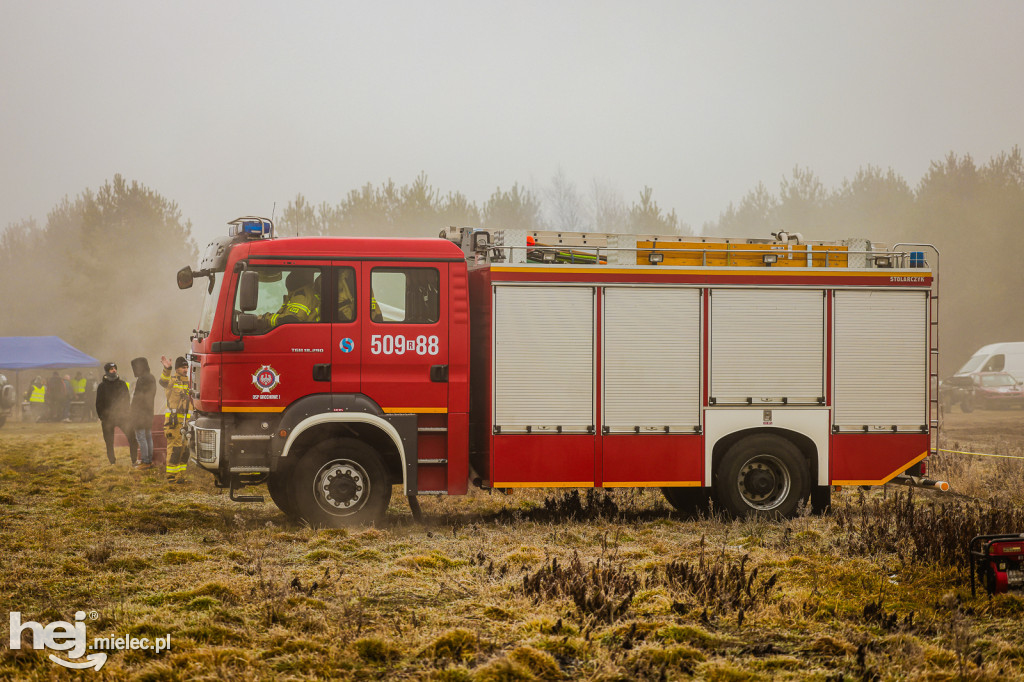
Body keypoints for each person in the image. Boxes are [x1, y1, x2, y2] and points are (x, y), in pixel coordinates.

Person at [95, 362, 138, 465]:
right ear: (107, 371)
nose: (114, 370)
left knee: (132, 438)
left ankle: (134, 461)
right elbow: (98, 403)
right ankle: (112, 462)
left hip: (123, 417)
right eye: (111, 369)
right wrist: (102, 417)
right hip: (108, 418)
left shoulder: (122, 384)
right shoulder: (102, 386)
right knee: (109, 442)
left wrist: (126, 413)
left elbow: (127, 400)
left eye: (115, 368)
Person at [160, 355, 192, 483]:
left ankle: (180, 475)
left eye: (186, 367)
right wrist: (167, 369)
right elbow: (163, 382)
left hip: (186, 423)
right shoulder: (172, 381)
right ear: (177, 369)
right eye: (183, 367)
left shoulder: (190, 382)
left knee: (185, 450)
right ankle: (171, 477)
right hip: (173, 423)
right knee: (175, 448)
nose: (185, 370)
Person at [129, 357, 156, 470]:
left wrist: (132, 411)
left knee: (141, 437)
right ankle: (149, 460)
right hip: (149, 411)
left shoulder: (142, 379)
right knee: (148, 436)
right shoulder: (151, 377)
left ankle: (145, 461)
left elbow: (137, 398)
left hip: (140, 412)